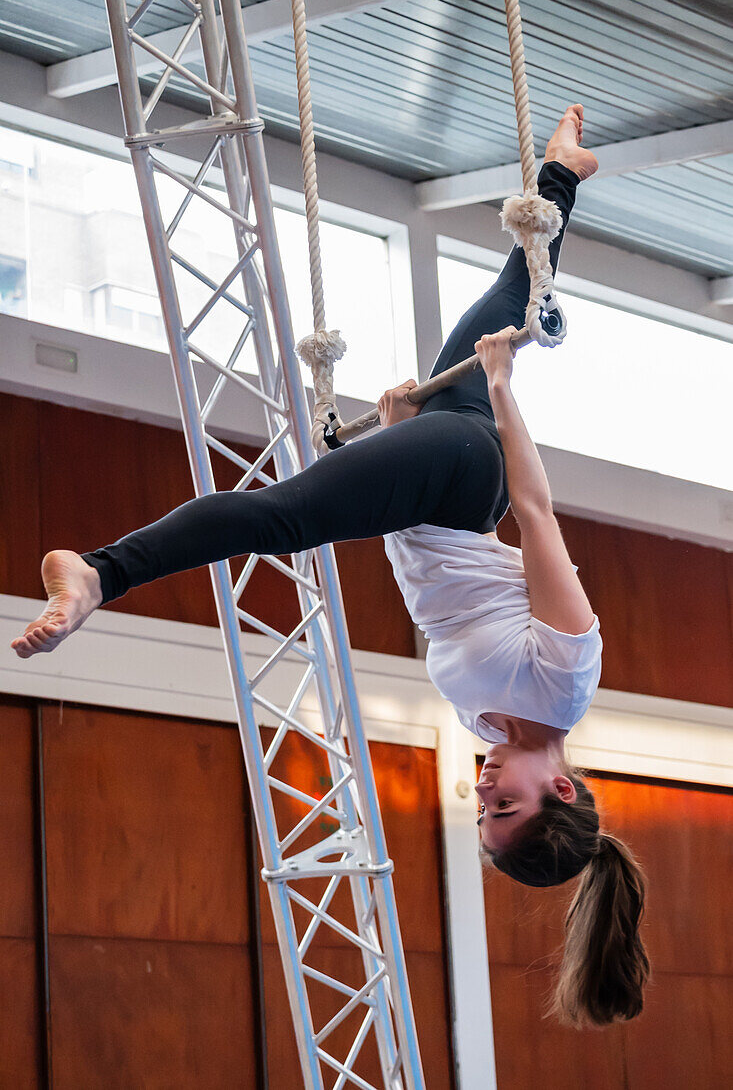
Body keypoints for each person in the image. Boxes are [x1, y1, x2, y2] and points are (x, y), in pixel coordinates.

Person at [11, 106, 649, 1025]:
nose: (482, 793)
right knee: (285, 516)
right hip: (468, 479)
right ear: (558, 788)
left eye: (479, 816)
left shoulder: (483, 714)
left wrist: (396, 441)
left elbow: (432, 592)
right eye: (502, 807)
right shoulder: (565, 676)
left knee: (501, 303)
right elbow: (541, 516)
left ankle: (562, 176)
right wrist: (503, 396)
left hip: (433, 495)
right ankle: (100, 576)